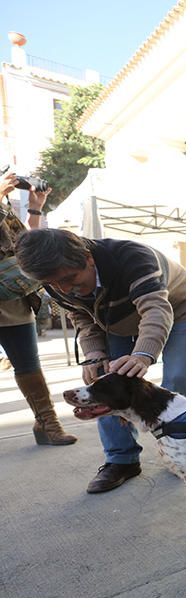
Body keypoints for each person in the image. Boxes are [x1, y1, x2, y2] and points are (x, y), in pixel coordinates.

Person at [15, 229, 186, 492]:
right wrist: (94, 354)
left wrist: (142, 355)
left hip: (178, 310)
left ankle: (183, 448)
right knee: (101, 385)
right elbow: (80, 315)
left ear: (88, 258)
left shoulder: (134, 258)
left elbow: (155, 310)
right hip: (116, 323)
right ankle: (121, 460)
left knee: (177, 377)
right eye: (55, 284)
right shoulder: (56, 279)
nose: (66, 289)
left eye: (70, 278)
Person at [0, 174, 76, 446]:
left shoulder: (5, 207)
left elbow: (25, 246)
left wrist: (35, 208)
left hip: (11, 299)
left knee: (29, 366)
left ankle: (47, 423)